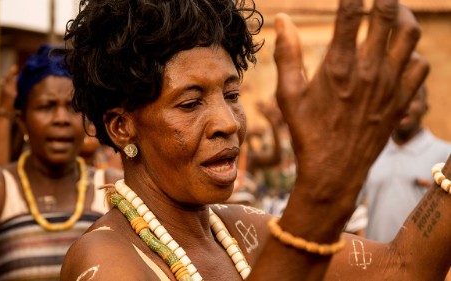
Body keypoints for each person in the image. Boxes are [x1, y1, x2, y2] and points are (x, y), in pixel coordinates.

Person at [60, 0, 449, 280]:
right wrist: (319, 197)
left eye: (231, 95)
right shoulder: (105, 259)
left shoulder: (242, 231)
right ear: (121, 127)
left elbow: (403, 267)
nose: (228, 123)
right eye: (191, 102)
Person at [0, 42, 122, 281]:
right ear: (22, 120)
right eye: (46, 106)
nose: (61, 119)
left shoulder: (116, 192)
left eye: (72, 107)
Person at [360, 84, 451, 242]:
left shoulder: (446, 155)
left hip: (421, 265)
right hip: (374, 262)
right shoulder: (370, 153)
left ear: (425, 107)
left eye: (414, 99)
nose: (404, 105)